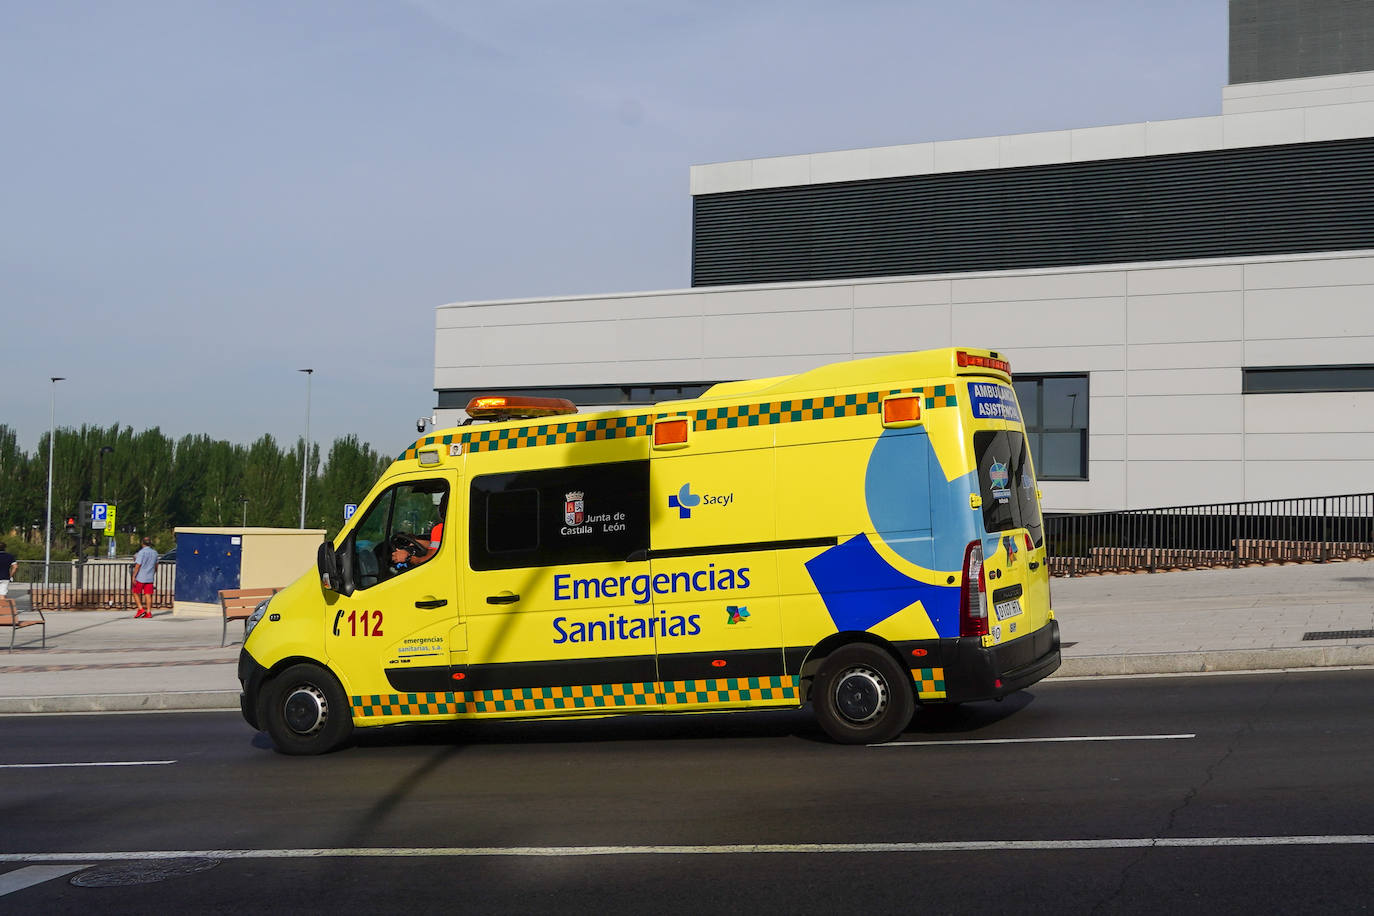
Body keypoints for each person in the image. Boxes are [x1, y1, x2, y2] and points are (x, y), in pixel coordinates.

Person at [131, 537, 159, 618]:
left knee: (135, 592)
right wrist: (154, 572)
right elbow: (156, 565)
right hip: (150, 577)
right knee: (148, 594)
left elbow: (138, 565)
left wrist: (134, 576)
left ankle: (140, 609)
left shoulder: (141, 552)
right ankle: (149, 612)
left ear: (142, 543)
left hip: (141, 576)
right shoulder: (155, 553)